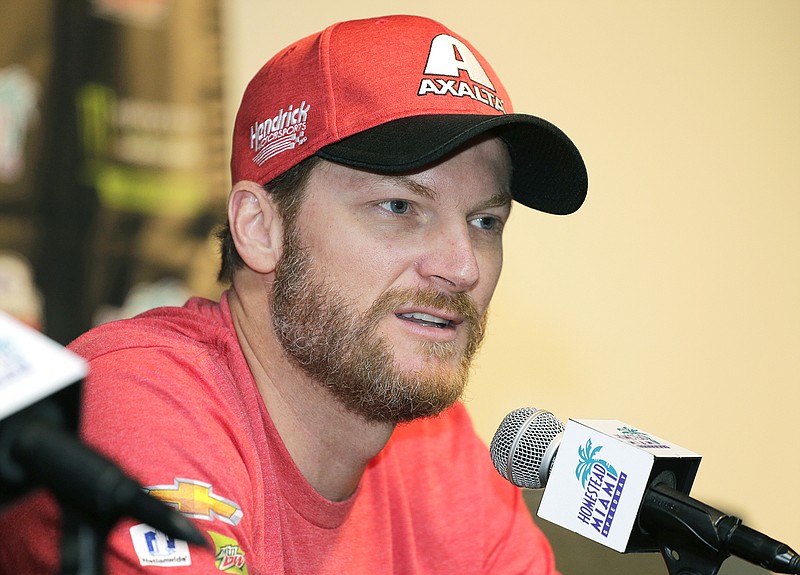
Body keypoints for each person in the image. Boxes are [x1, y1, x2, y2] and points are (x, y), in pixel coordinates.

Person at [0, 14, 587, 574]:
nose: (463, 268)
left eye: (486, 222)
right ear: (260, 228)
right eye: (400, 208)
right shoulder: (139, 401)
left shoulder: (438, 448)